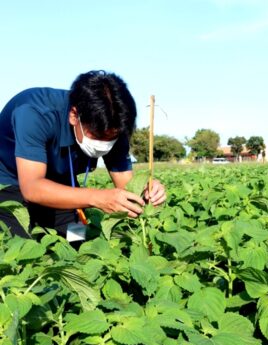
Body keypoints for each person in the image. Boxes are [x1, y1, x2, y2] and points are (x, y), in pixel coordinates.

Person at [0, 70, 166, 238]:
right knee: (20, 243)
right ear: (74, 115)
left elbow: (127, 184)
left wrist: (146, 191)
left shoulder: (114, 124)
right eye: (98, 135)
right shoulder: (35, 113)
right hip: (9, 180)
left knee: (77, 240)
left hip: (60, 182)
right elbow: (32, 188)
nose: (105, 143)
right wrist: (97, 197)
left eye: (112, 137)